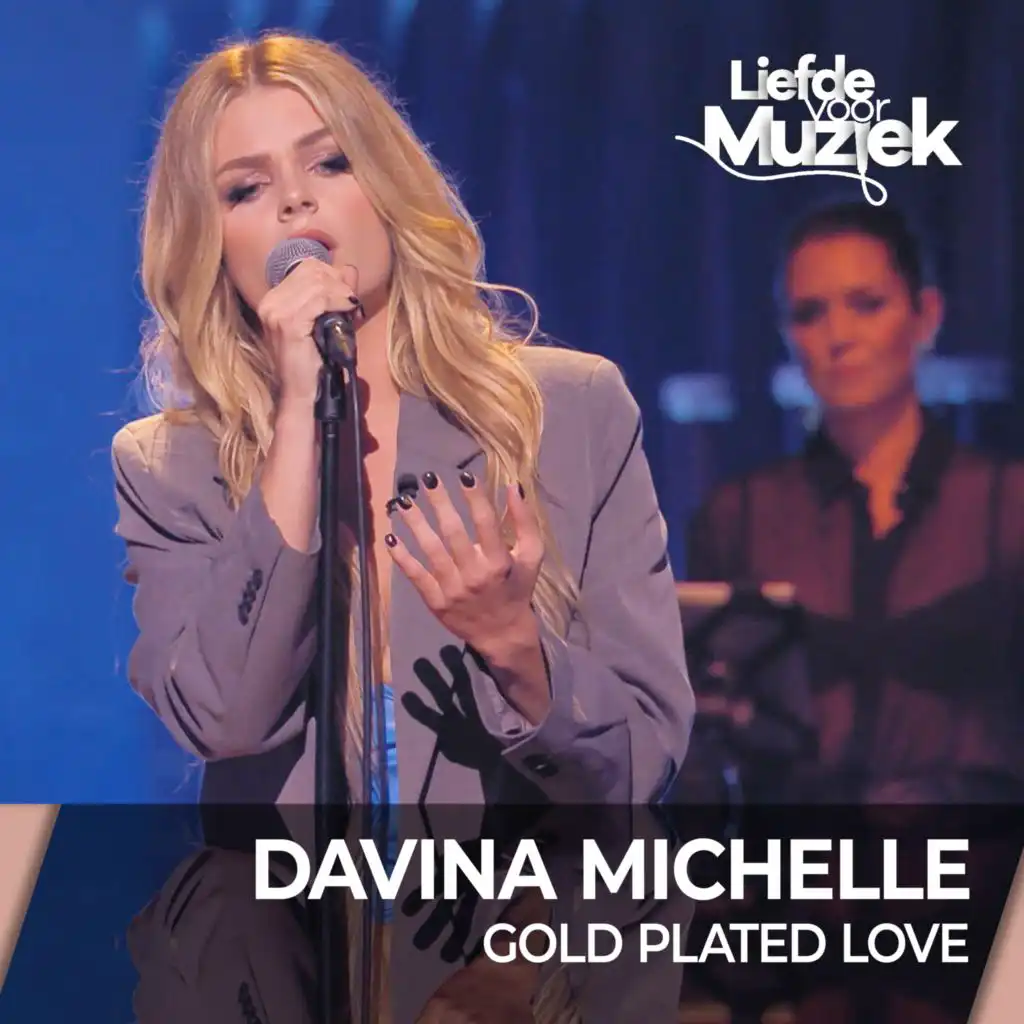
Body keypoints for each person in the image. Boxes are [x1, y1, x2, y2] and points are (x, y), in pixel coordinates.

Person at [111, 30, 693, 1022]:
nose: (295, 205)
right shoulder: (170, 466)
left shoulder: (568, 412)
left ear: (384, 185)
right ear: (210, 241)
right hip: (277, 969)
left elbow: (641, 759)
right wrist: (299, 415)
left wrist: (517, 649)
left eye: (329, 163)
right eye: (246, 188)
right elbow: (225, 718)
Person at [685, 198, 1024, 1023]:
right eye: (810, 312)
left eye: (865, 303)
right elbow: (704, 746)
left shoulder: (1006, 506)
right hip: (802, 929)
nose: (837, 334)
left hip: (978, 918)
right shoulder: (742, 515)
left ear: (925, 315)